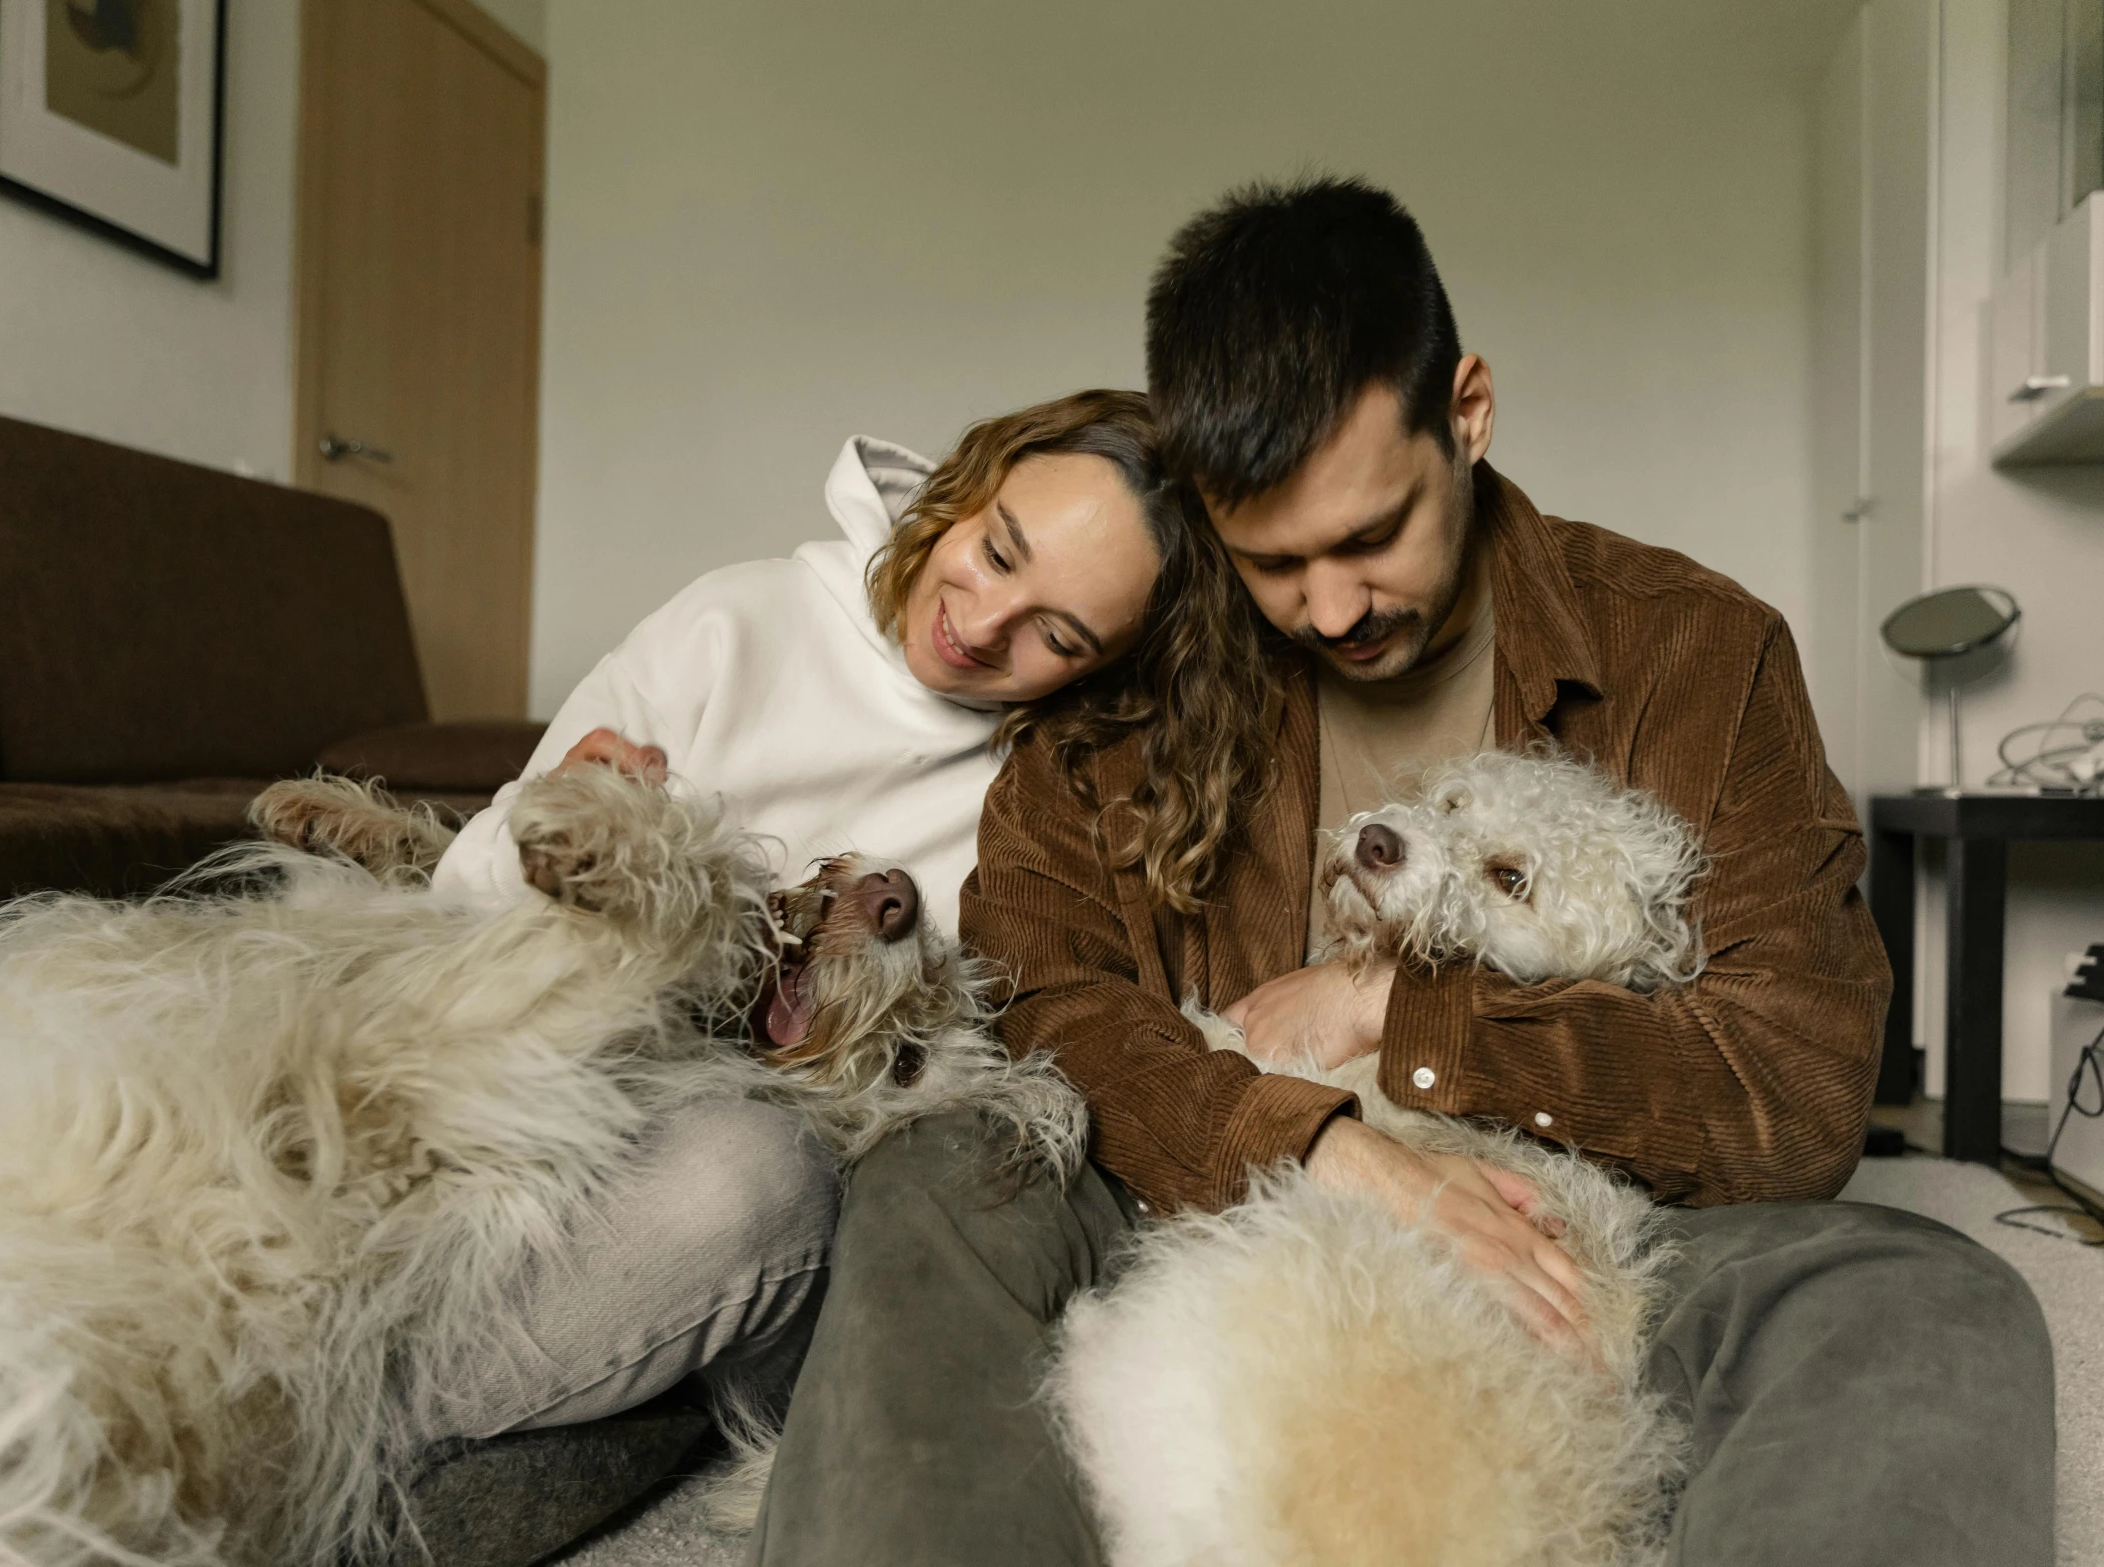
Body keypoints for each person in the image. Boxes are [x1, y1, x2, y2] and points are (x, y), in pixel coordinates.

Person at [750, 180, 2056, 1566]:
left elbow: (1794, 1088)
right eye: (1269, 560)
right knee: (943, 1174)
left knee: (1919, 1290)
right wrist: (1326, 1144)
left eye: (1370, 536)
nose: (1328, 608)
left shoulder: (1695, 651)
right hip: (1192, 1196)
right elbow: (1048, 1002)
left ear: (1469, 415)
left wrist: (1402, 1015)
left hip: (1576, 1234)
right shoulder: (1127, 668)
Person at [419, 390, 1269, 1450]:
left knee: (759, 1180)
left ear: (1108, 668)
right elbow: (455, 915)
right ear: (964, 495)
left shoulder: (1051, 802)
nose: (982, 623)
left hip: (727, 1181)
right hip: (525, 1094)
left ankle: (338, 1434)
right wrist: (552, 842)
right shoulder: (729, 625)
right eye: (998, 553)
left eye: (1056, 632)